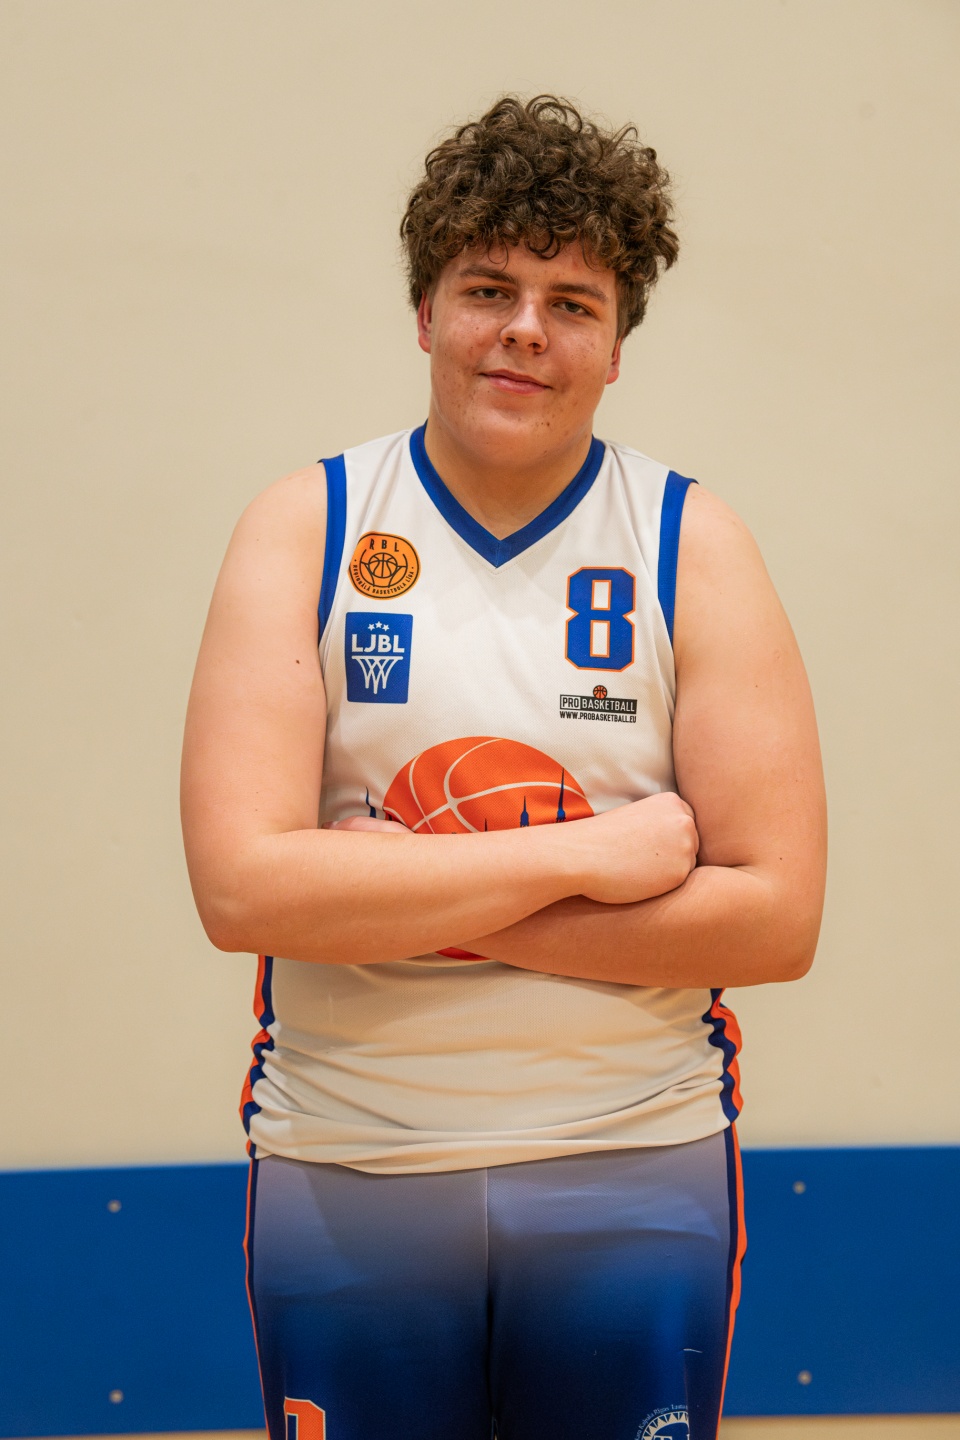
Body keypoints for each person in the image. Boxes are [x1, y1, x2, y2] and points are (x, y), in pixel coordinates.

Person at [181, 95, 826, 1440]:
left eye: (571, 302)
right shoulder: (308, 527)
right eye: (489, 289)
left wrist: (397, 893)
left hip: (632, 1163)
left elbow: (775, 918)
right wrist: (596, 856)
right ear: (425, 313)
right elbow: (244, 892)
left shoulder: (689, 545)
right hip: (352, 1162)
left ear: (617, 343)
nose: (526, 329)